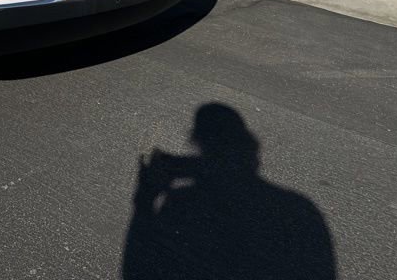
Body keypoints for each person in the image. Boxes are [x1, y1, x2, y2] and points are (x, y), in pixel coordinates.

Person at [121, 103, 336, 280]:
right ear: (252, 152)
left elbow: (137, 271)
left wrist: (144, 199)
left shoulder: (184, 204)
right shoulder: (299, 208)